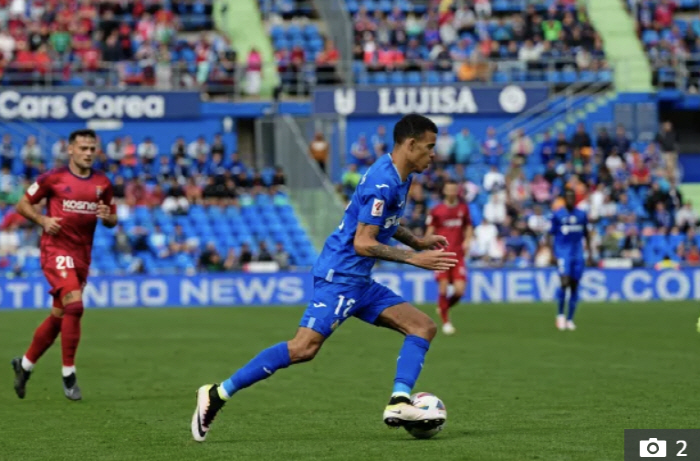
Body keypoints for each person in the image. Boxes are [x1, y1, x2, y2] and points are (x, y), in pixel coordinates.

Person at [191, 114, 457, 442]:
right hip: (340, 276)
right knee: (303, 348)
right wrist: (414, 258)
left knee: (423, 326)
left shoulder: (400, 177)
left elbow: (382, 222)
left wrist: (416, 240)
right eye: (430, 147)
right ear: (411, 144)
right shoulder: (383, 181)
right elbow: (363, 242)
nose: (434, 154)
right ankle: (217, 394)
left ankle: (399, 400)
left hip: (359, 281)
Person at [11, 129, 118, 401]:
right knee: (76, 304)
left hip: (82, 255)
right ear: (70, 150)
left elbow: (112, 218)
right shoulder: (53, 178)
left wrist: (107, 218)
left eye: (92, 148)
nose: (88, 153)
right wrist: (43, 221)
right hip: (55, 250)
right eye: (83, 148)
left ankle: (24, 365)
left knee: (61, 317)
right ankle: (69, 374)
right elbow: (22, 204)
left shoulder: (103, 183)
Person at [425, 180, 472, 335]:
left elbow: (468, 226)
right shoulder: (437, 210)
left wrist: (467, 241)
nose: (451, 192)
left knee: (459, 291)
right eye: (449, 189)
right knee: (443, 287)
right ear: (444, 191)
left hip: (458, 254)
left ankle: (443, 308)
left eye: (454, 189)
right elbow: (430, 231)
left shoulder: (463, 209)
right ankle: (446, 322)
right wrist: (427, 247)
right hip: (442, 254)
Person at [549, 188, 592, 331]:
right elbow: (551, 234)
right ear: (564, 199)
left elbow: (587, 233)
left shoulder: (581, 214)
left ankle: (570, 319)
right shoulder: (558, 214)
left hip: (577, 253)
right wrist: (552, 254)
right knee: (564, 281)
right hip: (563, 253)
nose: (570, 200)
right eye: (567, 197)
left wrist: (590, 253)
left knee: (575, 285)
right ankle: (560, 315)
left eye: (572, 197)